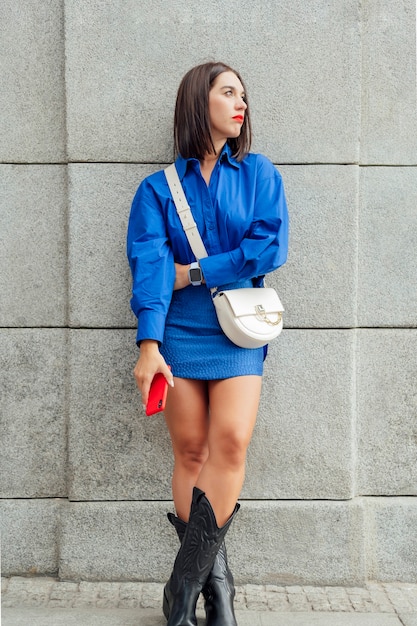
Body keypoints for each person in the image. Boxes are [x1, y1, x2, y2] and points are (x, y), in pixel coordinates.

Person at [127, 61, 289, 626]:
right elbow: (149, 267)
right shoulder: (156, 189)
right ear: (201, 102)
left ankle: (181, 587)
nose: (240, 103)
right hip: (175, 334)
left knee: (232, 443)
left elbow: (267, 248)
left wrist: (194, 271)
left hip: (239, 331)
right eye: (228, 92)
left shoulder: (260, 174)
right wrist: (149, 344)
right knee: (192, 452)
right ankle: (217, 592)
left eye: (244, 94)